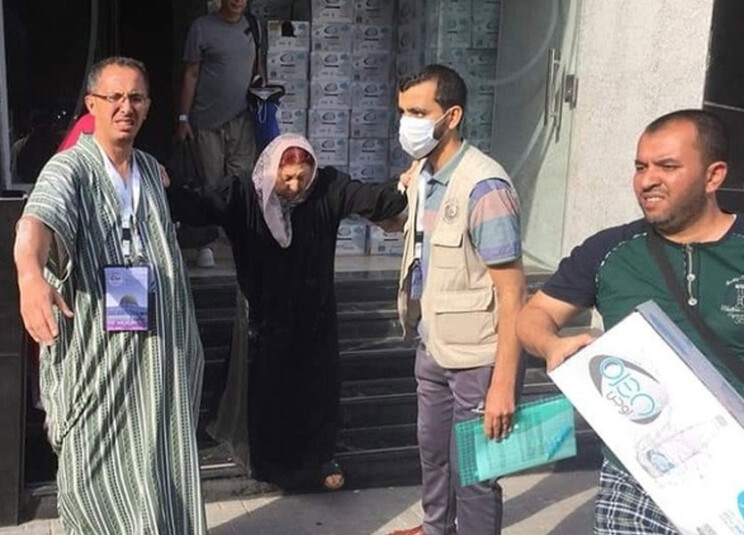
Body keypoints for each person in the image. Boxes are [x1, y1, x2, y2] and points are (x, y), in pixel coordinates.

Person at [516, 109, 743, 535]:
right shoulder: (610, 250)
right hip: (636, 477)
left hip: (734, 481)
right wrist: (551, 345)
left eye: (667, 166)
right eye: (641, 167)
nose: (647, 180)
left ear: (713, 177)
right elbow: (533, 315)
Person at [14, 56, 206, 534]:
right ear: (92, 104)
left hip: (158, 360)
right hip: (96, 364)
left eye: (136, 98)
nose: (126, 107)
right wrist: (30, 276)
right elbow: (35, 220)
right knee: (91, 480)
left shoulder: (150, 170)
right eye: (114, 97)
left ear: (148, 107)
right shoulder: (69, 168)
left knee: (162, 472)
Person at [168, 133, 408, 490]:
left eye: (302, 177)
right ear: (272, 172)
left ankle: (319, 456)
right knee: (268, 388)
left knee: (318, 386)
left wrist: (407, 184)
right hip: (264, 315)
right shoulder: (246, 194)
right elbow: (202, 204)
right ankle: (270, 461)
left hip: (314, 314)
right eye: (287, 178)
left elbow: (369, 198)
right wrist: (162, 187)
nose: (295, 187)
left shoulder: (326, 189)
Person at [392, 65, 526, 535]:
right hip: (432, 344)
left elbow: (513, 293)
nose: (406, 124)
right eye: (402, 112)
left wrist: (503, 384)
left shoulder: (485, 188)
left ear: (451, 117)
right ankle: (435, 529)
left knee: (475, 475)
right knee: (434, 457)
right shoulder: (424, 176)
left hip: (478, 360)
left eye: (418, 113)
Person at [177, 0, 265, 267]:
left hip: (243, 119)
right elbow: (191, 74)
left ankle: (240, 239)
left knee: (242, 182)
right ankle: (206, 243)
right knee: (211, 184)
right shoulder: (202, 28)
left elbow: (258, 69)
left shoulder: (254, 26)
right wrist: (183, 118)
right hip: (207, 121)